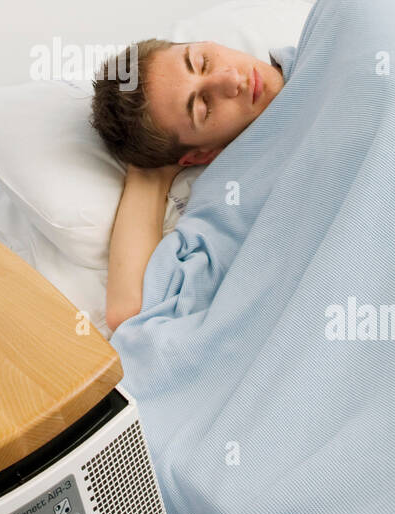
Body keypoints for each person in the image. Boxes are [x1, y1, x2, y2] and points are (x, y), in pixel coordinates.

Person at [91, 38, 292, 331]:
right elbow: (133, 310)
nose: (231, 79)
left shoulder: (336, 22)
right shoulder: (232, 197)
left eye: (202, 61)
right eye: (203, 107)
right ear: (201, 154)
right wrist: (150, 172)